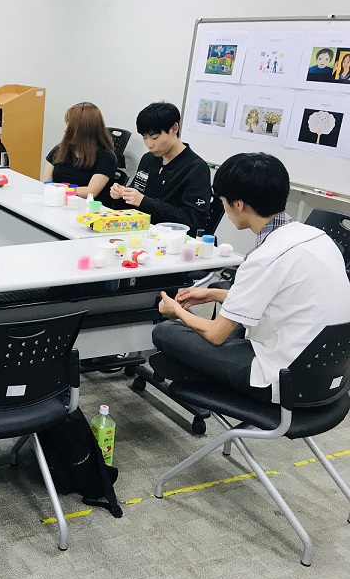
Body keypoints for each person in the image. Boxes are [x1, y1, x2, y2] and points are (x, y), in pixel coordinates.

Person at [150, 152, 350, 403]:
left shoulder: (264, 257)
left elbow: (215, 334)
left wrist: (176, 311)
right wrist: (213, 293)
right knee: (225, 325)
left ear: (238, 204)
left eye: (223, 200)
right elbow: (277, 298)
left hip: (283, 379)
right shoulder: (317, 237)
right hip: (329, 374)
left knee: (166, 332)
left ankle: (197, 373)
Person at [110, 102, 211, 232]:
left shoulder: (196, 168)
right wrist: (121, 194)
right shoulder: (148, 159)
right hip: (140, 230)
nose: (149, 144)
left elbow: (194, 220)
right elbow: (136, 196)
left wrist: (144, 202)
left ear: (174, 128)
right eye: (145, 137)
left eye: (155, 137)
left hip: (170, 237)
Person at [40, 102, 118, 206]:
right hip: (58, 204)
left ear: (84, 129)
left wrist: (59, 189)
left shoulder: (106, 158)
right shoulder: (60, 150)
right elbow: (45, 183)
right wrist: (59, 191)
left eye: (70, 125)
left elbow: (90, 192)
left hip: (85, 208)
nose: (65, 129)